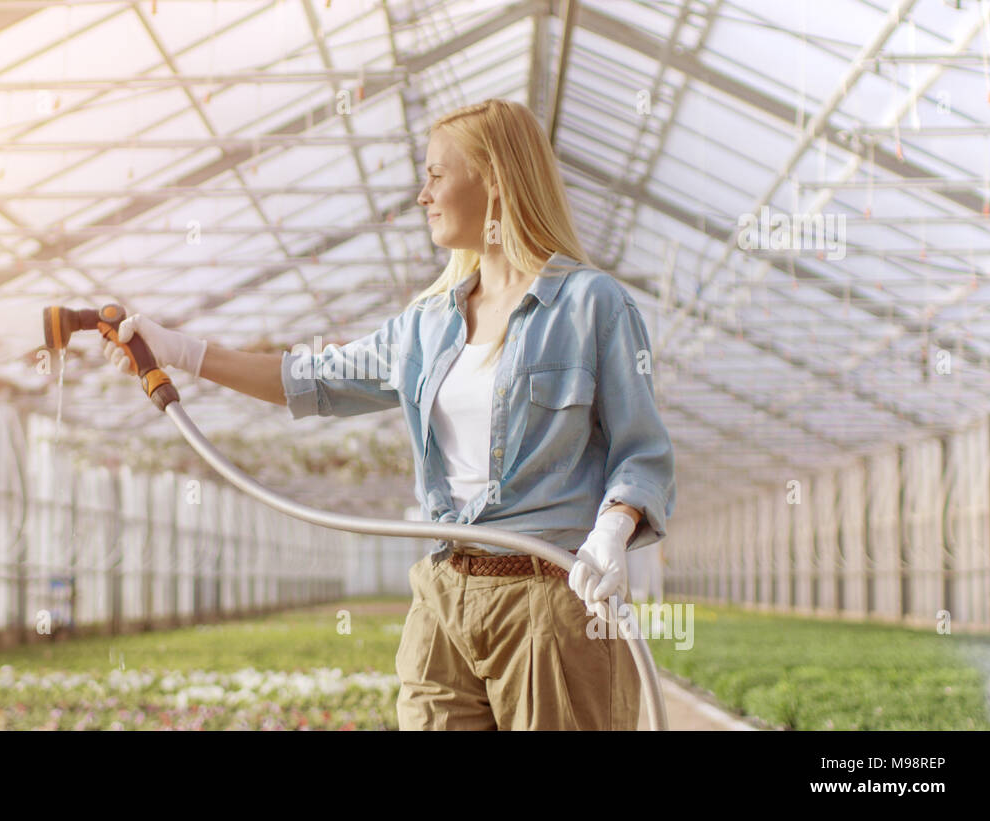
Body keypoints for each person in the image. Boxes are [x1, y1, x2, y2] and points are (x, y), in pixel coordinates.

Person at [102, 98, 675, 731]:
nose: (422, 194)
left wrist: (615, 530)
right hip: (444, 591)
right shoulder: (426, 326)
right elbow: (308, 378)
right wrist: (177, 350)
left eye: (436, 174)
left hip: (550, 598)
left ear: (493, 179)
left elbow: (641, 451)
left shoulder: (592, 306)